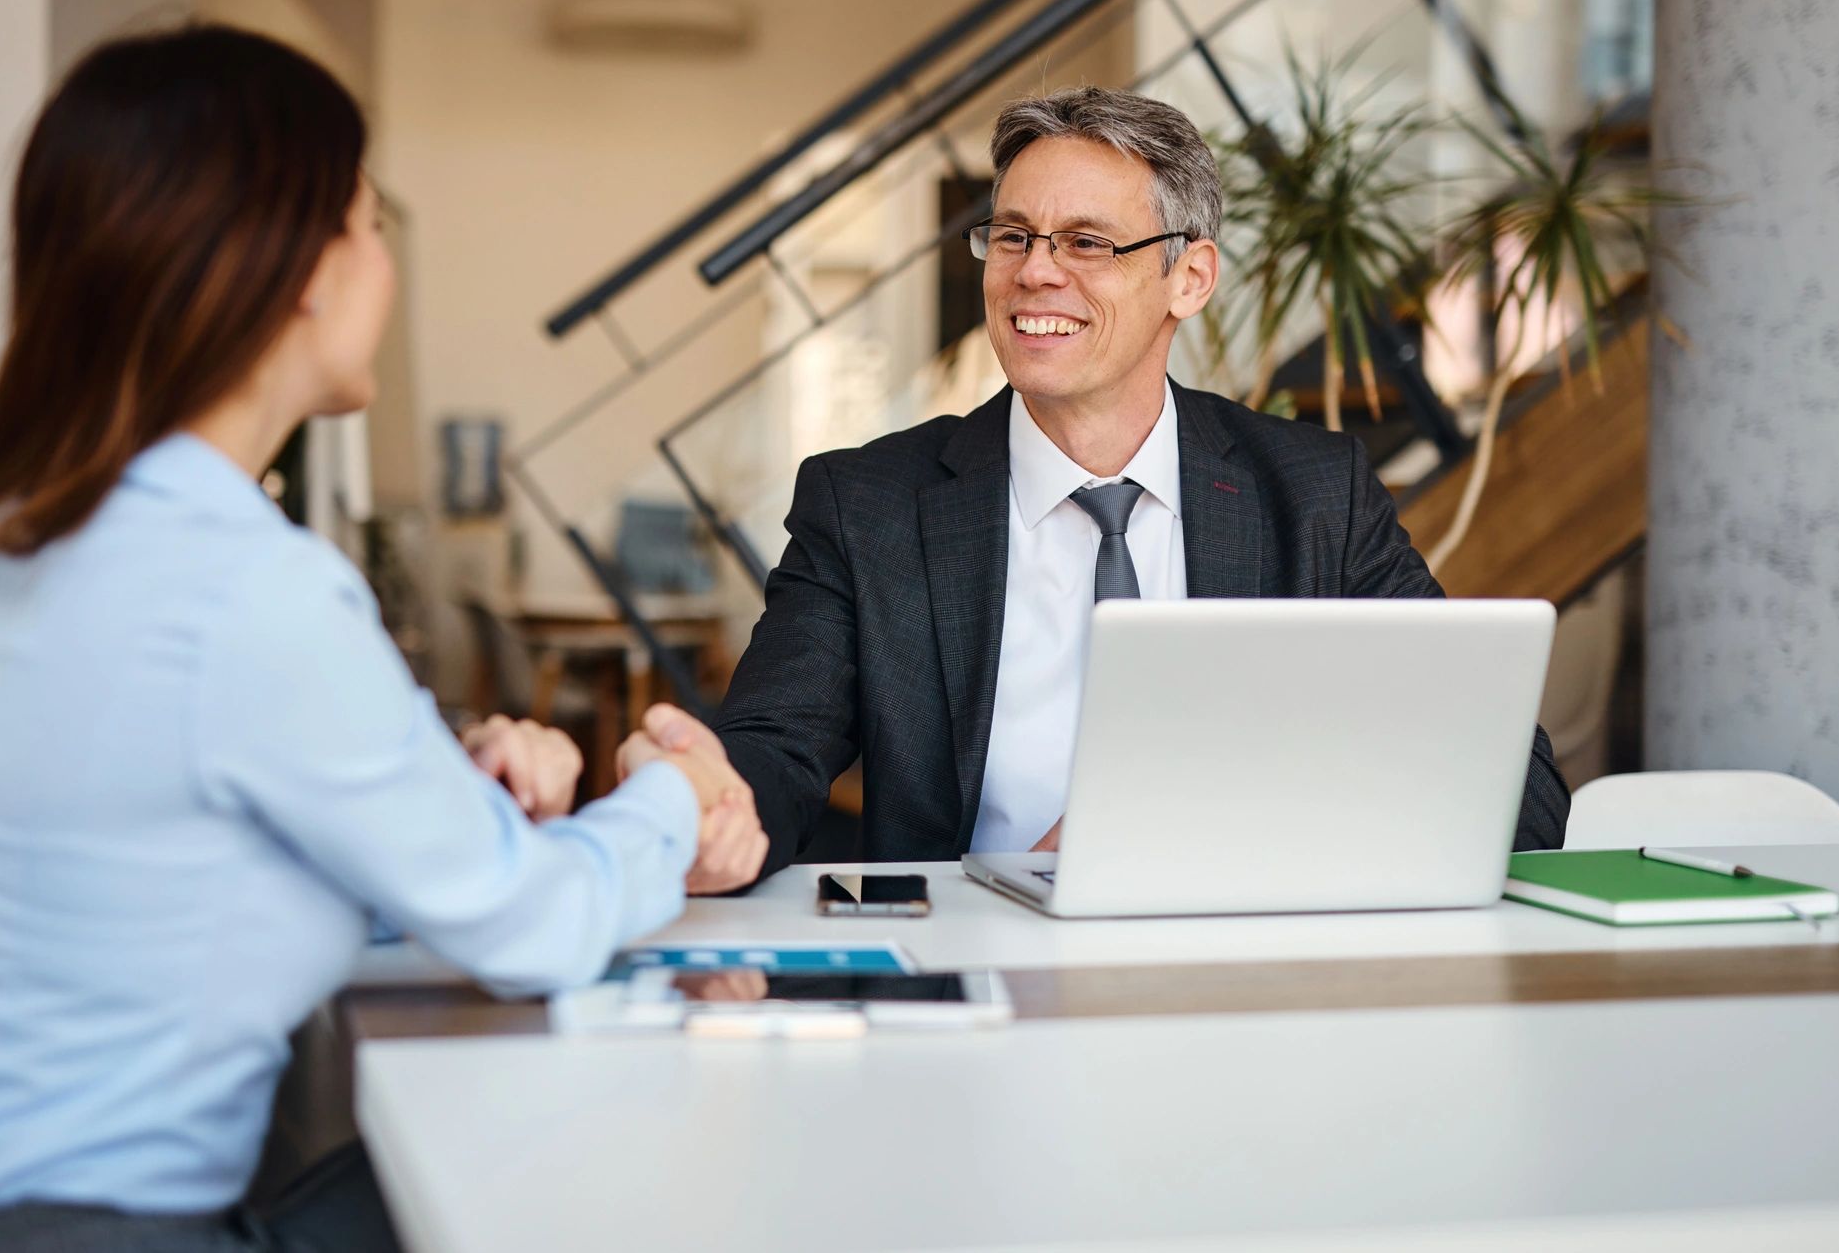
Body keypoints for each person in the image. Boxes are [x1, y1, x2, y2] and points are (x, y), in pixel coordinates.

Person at [0, 24, 763, 1253]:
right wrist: (674, 803)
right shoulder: (243, 587)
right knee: (602, 1117)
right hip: (82, 1239)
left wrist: (446, 810)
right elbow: (529, 927)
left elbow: (165, 878)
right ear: (299, 265)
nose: (383, 265)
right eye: (368, 225)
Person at [644, 86, 1568, 879]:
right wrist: (705, 805)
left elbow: (1513, 786)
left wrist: (1200, 840)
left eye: (1086, 243)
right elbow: (775, 751)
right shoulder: (868, 505)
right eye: (1012, 236)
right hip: (972, 991)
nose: (1034, 271)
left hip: (1245, 995)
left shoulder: (1317, 494)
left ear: (1190, 277)